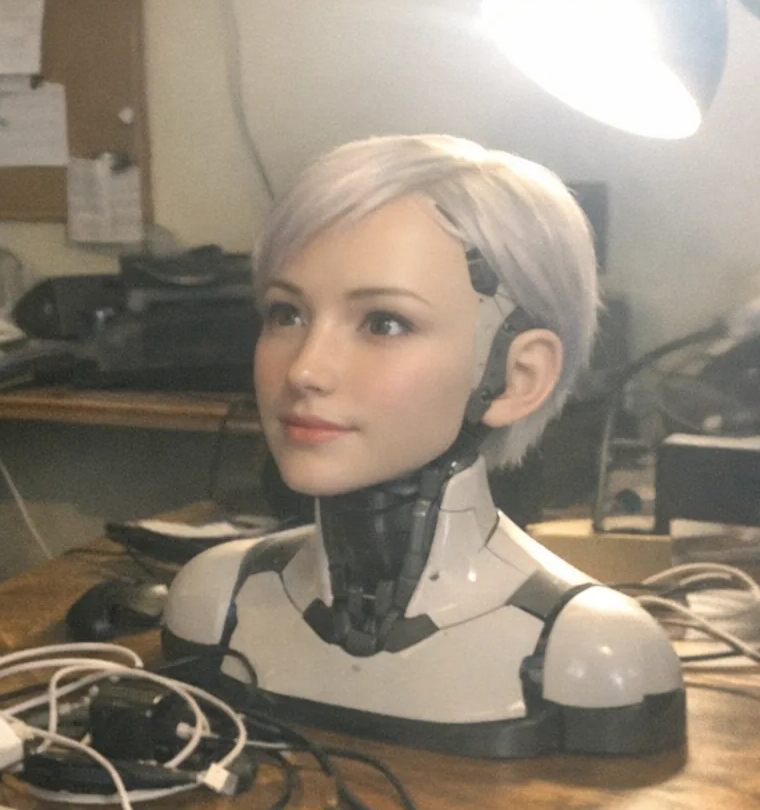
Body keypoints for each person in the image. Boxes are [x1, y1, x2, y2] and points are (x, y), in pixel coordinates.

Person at [163, 134, 684, 757]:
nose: (304, 370)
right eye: (286, 314)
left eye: (384, 322)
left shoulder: (590, 652)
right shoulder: (218, 602)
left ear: (518, 376)